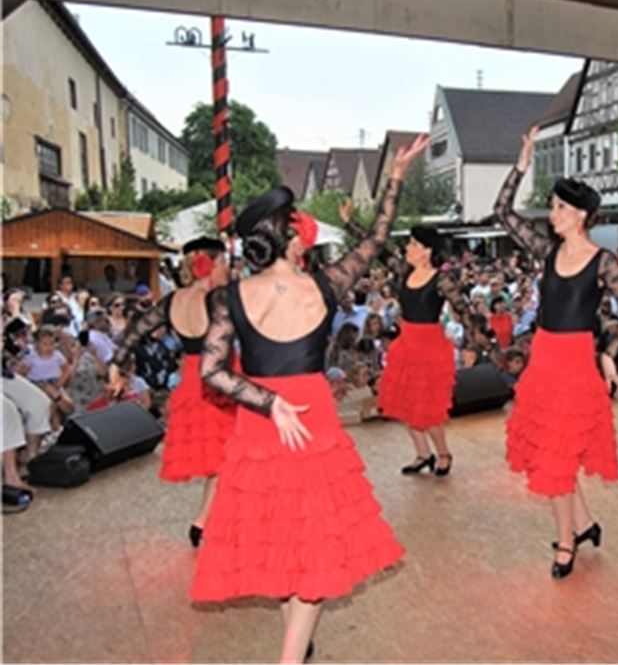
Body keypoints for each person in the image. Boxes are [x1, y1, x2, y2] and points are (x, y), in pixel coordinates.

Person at [193, 136, 425, 663]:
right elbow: (379, 236)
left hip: (261, 425)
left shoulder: (230, 297)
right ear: (289, 234)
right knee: (311, 543)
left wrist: (266, 401)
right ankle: (292, 654)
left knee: (279, 538)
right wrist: (396, 175)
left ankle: (292, 651)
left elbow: (210, 372)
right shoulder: (326, 285)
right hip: (312, 422)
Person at [493, 125, 618, 579]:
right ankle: (587, 524)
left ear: (580, 216)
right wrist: (521, 165)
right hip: (544, 363)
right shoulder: (546, 251)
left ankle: (566, 541)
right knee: (554, 450)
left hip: (577, 366)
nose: (551, 214)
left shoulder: (603, 262)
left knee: (558, 455)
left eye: (559, 207)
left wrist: (609, 353)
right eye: (553, 205)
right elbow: (502, 211)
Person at [108, 237, 235, 548]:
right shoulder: (218, 299)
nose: (227, 269)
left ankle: (204, 521)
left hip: (192, 381)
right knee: (232, 456)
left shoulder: (172, 301)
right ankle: (214, 522)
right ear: (211, 264)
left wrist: (115, 365)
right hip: (221, 380)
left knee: (223, 460)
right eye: (223, 263)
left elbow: (135, 331)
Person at [373, 225, 468, 478]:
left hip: (430, 348)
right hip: (406, 345)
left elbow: (464, 309)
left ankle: (444, 453)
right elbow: (379, 250)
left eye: (413, 244)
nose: (407, 248)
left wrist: (471, 344)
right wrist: (351, 224)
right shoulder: (405, 271)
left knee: (429, 407)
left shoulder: (442, 279)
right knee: (408, 404)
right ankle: (423, 454)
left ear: (426, 251)